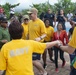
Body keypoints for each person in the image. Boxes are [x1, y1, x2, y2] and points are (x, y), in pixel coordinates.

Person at [27, 8, 48, 75]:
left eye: (31, 14)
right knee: (31, 60)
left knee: (34, 61)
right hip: (30, 44)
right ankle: (40, 71)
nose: (29, 15)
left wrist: (40, 38)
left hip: (37, 44)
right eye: (29, 14)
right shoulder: (30, 22)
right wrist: (26, 41)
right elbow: (28, 33)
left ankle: (44, 72)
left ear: (35, 14)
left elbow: (45, 34)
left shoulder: (40, 22)